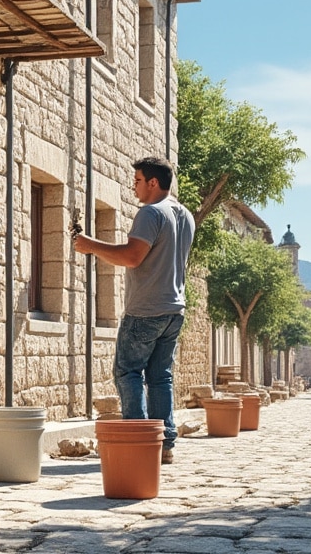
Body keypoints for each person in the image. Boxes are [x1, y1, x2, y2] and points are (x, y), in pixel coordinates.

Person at [72, 156, 194, 465]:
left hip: (146, 310)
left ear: (153, 182)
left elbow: (132, 257)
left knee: (127, 372)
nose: (134, 187)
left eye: (137, 180)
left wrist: (90, 245)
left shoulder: (151, 213)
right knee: (160, 377)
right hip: (174, 310)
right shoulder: (185, 215)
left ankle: (139, 442)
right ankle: (164, 445)